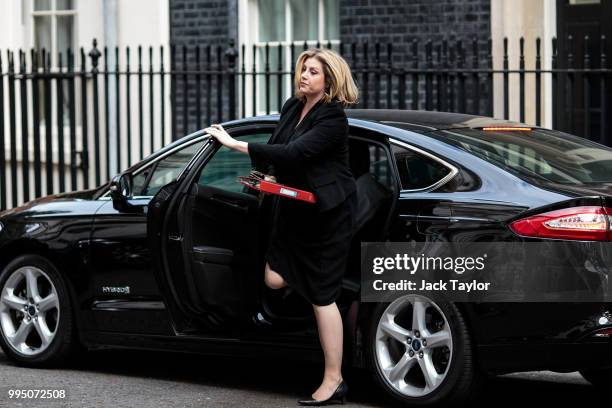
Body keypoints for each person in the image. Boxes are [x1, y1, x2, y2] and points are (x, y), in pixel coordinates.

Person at [205, 47, 359, 406]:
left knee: (323, 295)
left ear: (329, 81)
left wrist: (233, 144)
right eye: (304, 69)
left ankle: (334, 380)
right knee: (274, 277)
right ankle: (335, 294)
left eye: (314, 72)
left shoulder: (333, 118)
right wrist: (263, 178)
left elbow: (297, 153)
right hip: (295, 207)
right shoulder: (293, 106)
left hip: (327, 213)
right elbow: (279, 148)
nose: (305, 75)